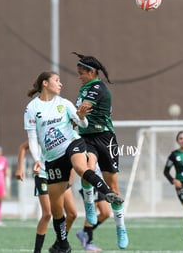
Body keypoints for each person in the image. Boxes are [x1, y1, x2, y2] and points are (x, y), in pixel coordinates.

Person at [24, 71, 124, 253]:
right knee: (56, 211)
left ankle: (107, 193)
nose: (60, 84)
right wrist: (37, 159)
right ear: (45, 83)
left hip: (72, 143)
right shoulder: (32, 108)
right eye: (57, 80)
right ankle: (62, 243)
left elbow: (83, 125)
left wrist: (82, 116)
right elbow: (32, 138)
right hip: (52, 159)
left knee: (81, 167)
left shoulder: (64, 103)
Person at [73, 52, 129, 249]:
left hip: (105, 137)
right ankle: (90, 208)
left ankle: (120, 227)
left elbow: (84, 109)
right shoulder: (84, 88)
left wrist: (77, 115)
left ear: (91, 72)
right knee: (87, 170)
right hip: (87, 138)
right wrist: (76, 118)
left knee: (114, 187)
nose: (79, 76)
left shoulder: (97, 87)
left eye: (81, 73)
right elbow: (79, 114)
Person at [15, 141, 77, 253]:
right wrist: (20, 168)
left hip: (60, 176)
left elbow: (73, 158)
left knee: (72, 214)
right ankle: (37, 251)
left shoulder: (69, 135)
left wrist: (70, 178)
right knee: (47, 213)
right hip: (43, 175)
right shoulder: (43, 131)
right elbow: (23, 147)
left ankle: (59, 244)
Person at [76, 165, 111, 252]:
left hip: (99, 184)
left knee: (105, 213)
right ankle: (88, 242)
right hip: (88, 183)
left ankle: (84, 232)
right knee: (92, 211)